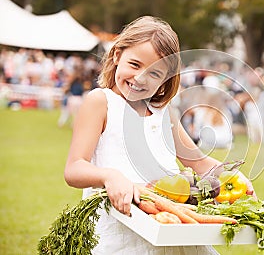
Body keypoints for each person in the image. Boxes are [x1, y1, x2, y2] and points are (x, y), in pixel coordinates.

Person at [63, 16, 254, 255]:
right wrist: (110, 176)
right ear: (117, 56)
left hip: (169, 227)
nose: (140, 78)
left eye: (154, 74)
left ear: (166, 81)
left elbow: (199, 162)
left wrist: (233, 178)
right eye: (134, 64)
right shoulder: (101, 102)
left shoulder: (164, 113)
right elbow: (74, 169)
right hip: (121, 234)